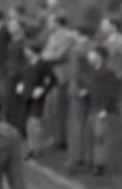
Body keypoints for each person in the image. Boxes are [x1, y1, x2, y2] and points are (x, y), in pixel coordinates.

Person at [83, 46, 121, 176]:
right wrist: (86, 92)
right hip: (92, 107)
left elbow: (112, 92)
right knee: (90, 136)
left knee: (100, 137)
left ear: (99, 56)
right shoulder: (92, 70)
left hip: (101, 109)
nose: (89, 56)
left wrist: (105, 109)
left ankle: (100, 165)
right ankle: (91, 162)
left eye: (92, 54)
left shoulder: (109, 72)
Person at [15, 41, 57, 158]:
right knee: (28, 122)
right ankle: (30, 147)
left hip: (36, 96)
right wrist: (20, 84)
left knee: (35, 122)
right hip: (25, 95)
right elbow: (23, 76)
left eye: (27, 49)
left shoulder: (43, 64)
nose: (25, 52)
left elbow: (53, 80)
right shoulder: (28, 63)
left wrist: (42, 89)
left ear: (33, 51)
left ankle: (36, 148)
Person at [41, 13, 75, 150]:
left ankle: (63, 139)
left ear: (58, 22)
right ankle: (55, 136)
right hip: (51, 73)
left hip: (62, 75)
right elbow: (45, 53)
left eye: (50, 21)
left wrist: (47, 55)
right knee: (51, 107)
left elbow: (58, 54)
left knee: (61, 108)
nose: (48, 24)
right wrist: (47, 55)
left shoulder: (68, 37)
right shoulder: (52, 36)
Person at [65, 26, 95, 173]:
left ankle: (77, 158)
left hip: (78, 90)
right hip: (93, 89)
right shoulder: (95, 47)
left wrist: (83, 87)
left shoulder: (77, 50)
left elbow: (76, 72)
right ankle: (90, 158)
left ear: (78, 33)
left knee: (77, 124)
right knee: (89, 123)